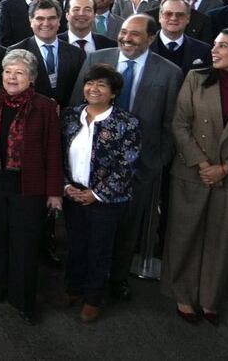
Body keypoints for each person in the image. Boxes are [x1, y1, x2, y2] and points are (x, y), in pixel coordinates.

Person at [70, 13, 182, 301]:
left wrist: (154, 165)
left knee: (127, 231)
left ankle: (117, 280)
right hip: (90, 170)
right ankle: (80, 283)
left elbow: (171, 126)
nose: (126, 38)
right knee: (87, 232)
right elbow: (74, 109)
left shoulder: (169, 72)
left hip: (139, 171)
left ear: (151, 38)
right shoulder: (97, 58)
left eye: (134, 34)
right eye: (123, 32)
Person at [163, 29, 228, 325]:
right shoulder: (196, 78)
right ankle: (183, 294)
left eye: (222, 46)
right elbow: (179, 124)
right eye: (214, 45)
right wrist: (204, 164)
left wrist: (225, 168)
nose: (213, 50)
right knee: (185, 233)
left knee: (222, 238)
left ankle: (209, 298)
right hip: (193, 170)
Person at [0, 49, 63, 324]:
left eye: (19, 73)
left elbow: (53, 151)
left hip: (28, 189)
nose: (12, 77)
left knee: (24, 246)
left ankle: (23, 300)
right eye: (8, 71)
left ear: (32, 78)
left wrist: (54, 192)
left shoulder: (45, 106)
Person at [60, 64, 141, 323]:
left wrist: (97, 194)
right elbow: (57, 154)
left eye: (101, 85)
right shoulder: (71, 116)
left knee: (100, 249)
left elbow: (126, 165)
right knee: (75, 246)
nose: (93, 89)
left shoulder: (126, 123)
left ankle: (93, 298)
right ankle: (73, 289)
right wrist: (65, 186)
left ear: (114, 93)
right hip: (73, 193)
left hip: (106, 200)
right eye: (90, 83)